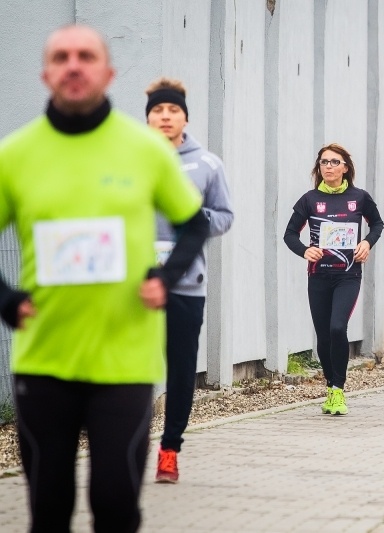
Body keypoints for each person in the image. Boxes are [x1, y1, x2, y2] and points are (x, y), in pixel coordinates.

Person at [0, 25, 208, 532]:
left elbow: (194, 223)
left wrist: (166, 276)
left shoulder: (145, 150)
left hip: (124, 359)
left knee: (115, 505)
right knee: (48, 509)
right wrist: (6, 299)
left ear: (107, 72)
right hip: (44, 358)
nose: (74, 65)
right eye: (62, 56)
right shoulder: (15, 154)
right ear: (46, 73)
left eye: (86, 55)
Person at [145, 78, 234, 483]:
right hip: (137, 284)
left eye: (172, 111)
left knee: (181, 369)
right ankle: (127, 445)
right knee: (135, 369)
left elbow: (224, 216)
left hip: (186, 282)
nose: (165, 117)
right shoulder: (131, 160)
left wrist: (193, 221)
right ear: (147, 118)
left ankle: (169, 449)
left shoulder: (207, 164)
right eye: (157, 111)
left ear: (185, 117)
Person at [284, 144, 384, 415]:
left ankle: (338, 390)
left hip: (348, 275)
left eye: (334, 162)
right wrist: (305, 249)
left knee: (338, 327)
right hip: (319, 276)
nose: (328, 166)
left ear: (345, 167)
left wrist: (366, 243)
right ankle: (330, 385)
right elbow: (290, 234)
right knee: (324, 335)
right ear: (319, 168)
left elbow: (377, 224)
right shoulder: (310, 199)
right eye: (323, 162)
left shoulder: (359, 197)